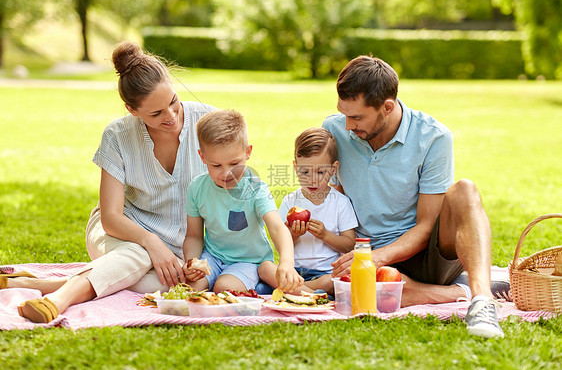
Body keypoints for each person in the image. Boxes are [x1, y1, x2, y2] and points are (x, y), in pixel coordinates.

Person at [1, 41, 215, 323]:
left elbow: (232, 190)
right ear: (132, 110)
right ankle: (56, 300)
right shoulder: (117, 135)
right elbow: (111, 218)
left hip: (181, 244)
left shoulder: (209, 121)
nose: (171, 116)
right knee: (139, 256)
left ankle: (32, 284)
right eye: (156, 113)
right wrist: (151, 242)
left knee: (169, 283)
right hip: (119, 232)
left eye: (173, 102)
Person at [323, 55, 504, 338]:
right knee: (369, 290)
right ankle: (455, 292)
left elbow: (425, 226)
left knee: (465, 189)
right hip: (364, 256)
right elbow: (336, 202)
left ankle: (482, 301)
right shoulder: (333, 130)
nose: (347, 126)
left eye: (357, 117)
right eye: (344, 114)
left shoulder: (433, 137)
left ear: (387, 107)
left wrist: (378, 256)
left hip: (425, 255)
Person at [182, 109, 303, 293]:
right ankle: (260, 288)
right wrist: (192, 262)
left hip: (248, 261)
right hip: (212, 257)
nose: (226, 173)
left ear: (248, 152)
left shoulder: (256, 188)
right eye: (216, 165)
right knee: (188, 290)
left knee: (224, 288)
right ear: (202, 157)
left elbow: (277, 227)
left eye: (234, 163)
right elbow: (193, 236)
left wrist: (286, 262)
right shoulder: (197, 188)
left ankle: (259, 285)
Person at [261, 128, 357, 295]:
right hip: (293, 271)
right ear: (296, 167)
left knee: (332, 281)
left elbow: (350, 244)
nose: (312, 179)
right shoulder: (290, 202)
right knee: (265, 268)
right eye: (305, 171)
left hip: (325, 273)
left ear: (333, 170)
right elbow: (280, 246)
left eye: (320, 172)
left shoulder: (340, 202)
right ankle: (310, 294)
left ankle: (294, 291)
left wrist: (325, 235)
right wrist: (294, 235)